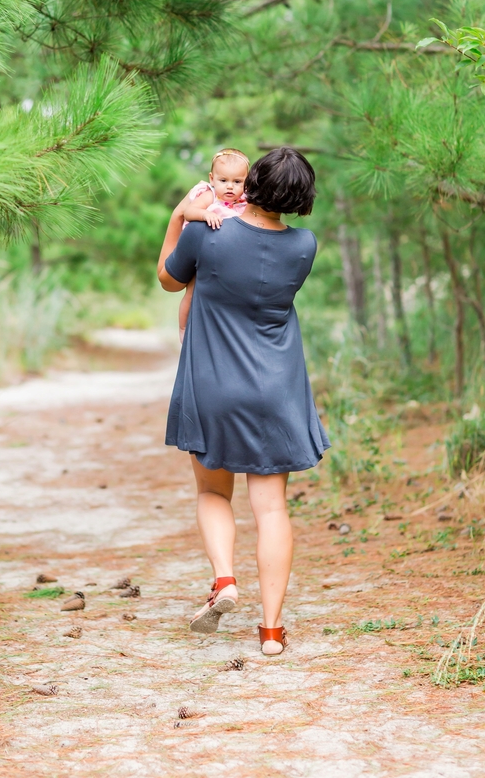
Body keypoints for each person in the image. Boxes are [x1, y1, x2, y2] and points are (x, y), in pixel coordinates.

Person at [157, 146, 329, 656]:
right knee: (272, 508)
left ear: (250, 184)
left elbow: (169, 280)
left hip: (214, 385)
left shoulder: (207, 234)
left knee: (213, 494)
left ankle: (225, 580)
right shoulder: (305, 246)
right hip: (276, 389)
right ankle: (272, 632)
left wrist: (177, 217)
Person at [177, 149, 249, 344]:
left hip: (225, 258)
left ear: (246, 182)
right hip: (201, 253)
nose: (229, 187)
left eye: (237, 182)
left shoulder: (245, 203)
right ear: (212, 178)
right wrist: (204, 214)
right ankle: (183, 328)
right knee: (192, 291)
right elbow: (189, 211)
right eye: (223, 180)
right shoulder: (210, 196)